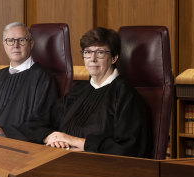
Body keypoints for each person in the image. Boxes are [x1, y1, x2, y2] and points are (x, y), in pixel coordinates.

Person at [24, 27, 151, 157]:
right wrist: (51, 137)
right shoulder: (77, 91)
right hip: (61, 159)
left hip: (99, 169)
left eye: (100, 52)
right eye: (88, 52)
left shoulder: (126, 96)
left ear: (114, 58)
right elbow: (36, 124)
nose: (92, 59)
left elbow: (128, 149)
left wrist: (75, 141)